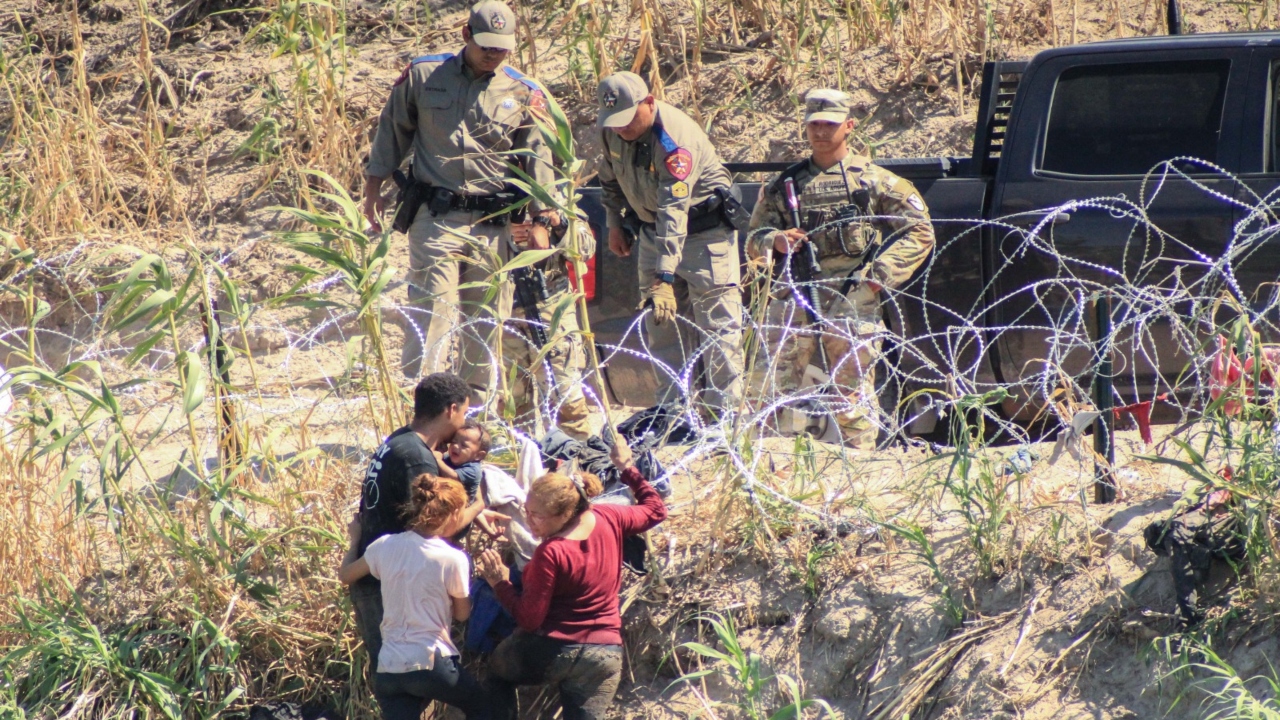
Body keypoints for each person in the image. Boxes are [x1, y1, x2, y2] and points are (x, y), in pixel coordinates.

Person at [362, 0, 560, 396]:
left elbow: (538, 157)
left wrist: (542, 220)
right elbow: (393, 130)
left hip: (493, 223)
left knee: (485, 320)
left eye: (501, 47)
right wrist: (373, 188)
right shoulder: (424, 76)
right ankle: (424, 407)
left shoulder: (524, 91)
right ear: (466, 35)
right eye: (485, 44)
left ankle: (476, 417)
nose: (493, 54)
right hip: (437, 216)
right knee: (434, 309)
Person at [745, 89, 935, 450]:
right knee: (768, 390)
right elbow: (754, 238)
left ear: (849, 126)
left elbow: (920, 230)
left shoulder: (873, 181)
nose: (820, 132)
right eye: (813, 124)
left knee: (851, 400)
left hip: (851, 297)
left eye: (829, 124)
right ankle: (772, 466)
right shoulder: (786, 185)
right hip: (797, 294)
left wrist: (878, 277)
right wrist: (777, 240)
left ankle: (861, 470)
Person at [475, 438, 667, 720]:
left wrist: (500, 583)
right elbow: (656, 510)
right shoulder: (608, 515)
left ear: (565, 513)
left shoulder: (551, 553)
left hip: (552, 649)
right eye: (527, 512)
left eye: (537, 516)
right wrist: (628, 469)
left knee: (496, 674)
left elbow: (530, 619)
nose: (528, 522)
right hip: (605, 653)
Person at [595, 71, 744, 417]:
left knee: (718, 329)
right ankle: (673, 414)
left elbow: (674, 213)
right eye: (614, 122)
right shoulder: (611, 131)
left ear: (649, 103)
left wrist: (664, 278)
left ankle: (726, 419)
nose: (621, 129)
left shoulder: (674, 141)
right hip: (652, 232)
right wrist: (615, 224)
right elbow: (608, 182)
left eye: (628, 119)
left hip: (703, 236)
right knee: (661, 326)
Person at [351, 373, 503, 666]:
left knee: (394, 678)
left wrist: (477, 513)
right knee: (404, 680)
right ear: (451, 410)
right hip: (388, 588)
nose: (462, 423)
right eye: (464, 413)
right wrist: (477, 506)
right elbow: (435, 530)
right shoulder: (418, 459)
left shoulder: (400, 441)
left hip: (376, 576)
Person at [340, 474, 491, 719]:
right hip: (430, 662)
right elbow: (462, 615)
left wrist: (355, 538)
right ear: (453, 514)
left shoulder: (385, 545)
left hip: (389, 667)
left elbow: (346, 575)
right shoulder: (452, 558)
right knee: (483, 707)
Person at [501, 211, 595, 440]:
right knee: (513, 403)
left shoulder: (550, 199)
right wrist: (502, 233)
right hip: (503, 311)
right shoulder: (487, 193)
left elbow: (585, 248)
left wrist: (555, 222)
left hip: (550, 309)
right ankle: (525, 464)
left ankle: (573, 465)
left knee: (566, 400)